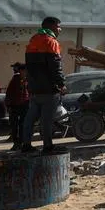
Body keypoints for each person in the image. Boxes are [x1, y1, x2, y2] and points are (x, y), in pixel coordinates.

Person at [21, 16, 67, 153]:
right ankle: (48, 146)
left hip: (34, 89)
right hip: (49, 89)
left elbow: (29, 67)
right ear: (52, 27)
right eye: (58, 26)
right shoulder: (51, 42)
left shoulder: (33, 40)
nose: (60, 29)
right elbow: (55, 67)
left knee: (30, 118)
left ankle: (26, 145)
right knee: (46, 120)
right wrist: (61, 84)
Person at [5, 63, 30, 150]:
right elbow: (9, 92)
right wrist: (8, 105)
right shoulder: (15, 79)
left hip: (25, 104)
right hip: (14, 105)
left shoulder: (27, 79)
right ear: (21, 71)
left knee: (23, 124)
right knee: (14, 125)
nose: (26, 72)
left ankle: (22, 142)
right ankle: (16, 143)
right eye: (24, 71)